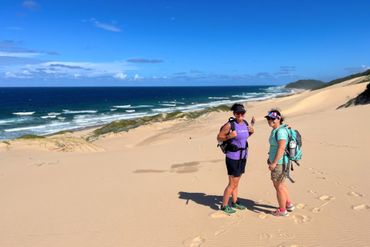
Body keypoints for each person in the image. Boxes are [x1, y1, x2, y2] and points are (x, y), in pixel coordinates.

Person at [217, 103, 254, 214]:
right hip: (233, 158)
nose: (240, 115)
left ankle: (235, 202)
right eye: (237, 113)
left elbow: (244, 137)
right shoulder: (230, 125)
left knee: (236, 182)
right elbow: (219, 137)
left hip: (243, 156)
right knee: (232, 183)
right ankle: (224, 205)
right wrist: (229, 136)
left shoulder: (245, 123)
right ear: (234, 113)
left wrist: (251, 131)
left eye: (242, 113)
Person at [265, 109, 295, 216]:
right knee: (281, 185)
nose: (270, 120)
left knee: (279, 186)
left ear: (278, 118)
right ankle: (288, 204)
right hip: (282, 162)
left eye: (272, 118)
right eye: (268, 118)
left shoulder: (280, 131)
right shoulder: (278, 129)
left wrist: (274, 163)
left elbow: (281, 147)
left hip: (280, 163)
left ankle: (282, 210)